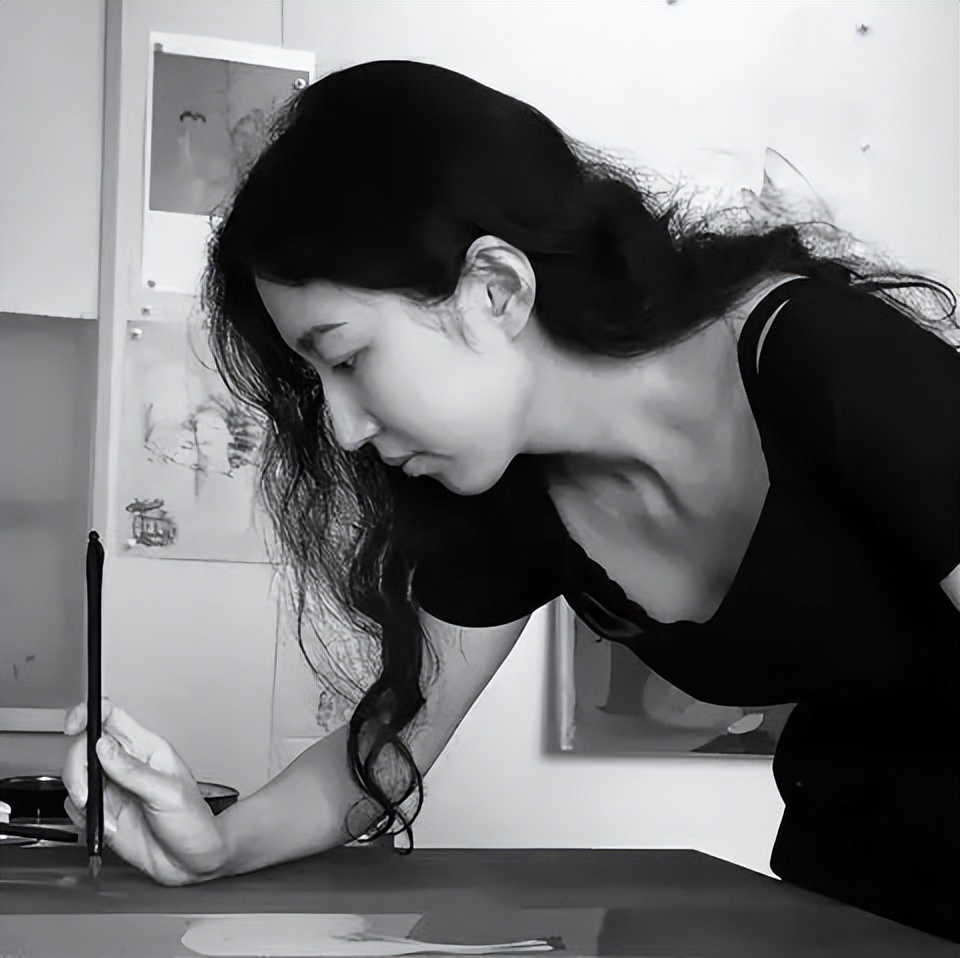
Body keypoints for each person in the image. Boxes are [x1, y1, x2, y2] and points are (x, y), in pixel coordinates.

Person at [61, 61, 959, 940]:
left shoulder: (821, 358)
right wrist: (217, 844)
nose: (342, 428)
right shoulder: (506, 489)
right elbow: (393, 742)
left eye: (348, 357)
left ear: (495, 288)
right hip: (847, 881)